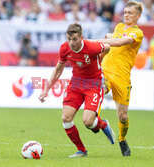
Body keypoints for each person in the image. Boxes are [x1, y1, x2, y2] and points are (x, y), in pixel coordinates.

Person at [39, 23, 115, 157]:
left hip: (94, 84)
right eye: (69, 39)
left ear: (81, 38)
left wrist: (99, 60)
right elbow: (58, 69)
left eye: (74, 39)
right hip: (76, 84)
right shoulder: (64, 48)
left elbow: (107, 47)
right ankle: (81, 150)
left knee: (88, 122)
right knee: (66, 118)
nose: (71, 43)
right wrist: (46, 89)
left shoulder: (92, 47)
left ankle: (103, 125)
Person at [95, 1, 144, 156]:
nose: (126, 15)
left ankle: (122, 140)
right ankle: (98, 123)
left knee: (122, 116)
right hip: (106, 72)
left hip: (122, 77)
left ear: (138, 16)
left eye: (130, 13)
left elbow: (120, 41)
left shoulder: (137, 33)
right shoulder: (118, 27)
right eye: (125, 12)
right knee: (99, 91)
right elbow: (113, 41)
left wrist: (97, 41)